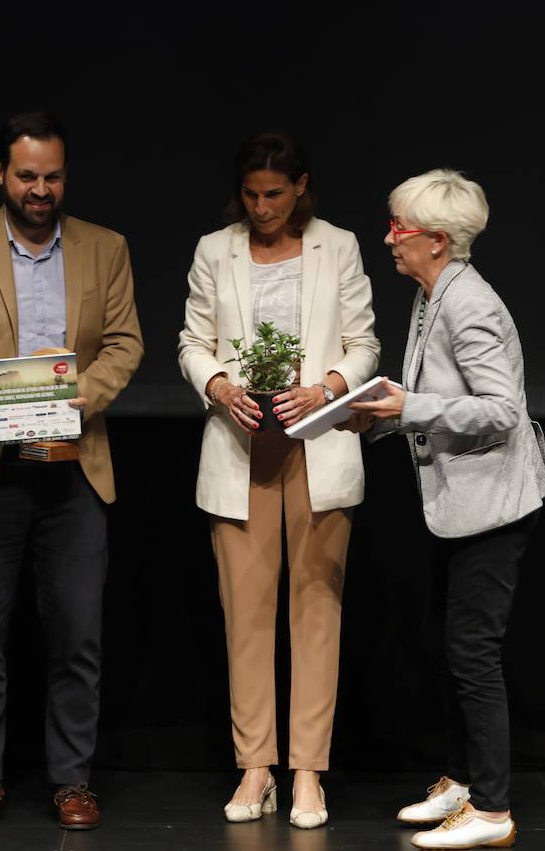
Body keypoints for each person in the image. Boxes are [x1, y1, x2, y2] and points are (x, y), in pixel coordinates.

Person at [0, 111, 143, 831]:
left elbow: (126, 344)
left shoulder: (106, 247)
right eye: (27, 176)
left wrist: (85, 396)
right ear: (1, 175)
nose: (41, 189)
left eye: (52, 176)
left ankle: (72, 781)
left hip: (73, 471)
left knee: (77, 636)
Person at [343, 168, 545, 850]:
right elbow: (429, 398)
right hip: (458, 502)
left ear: (436, 240)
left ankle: (491, 809)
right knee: (448, 644)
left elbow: (501, 411)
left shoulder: (470, 304)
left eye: (399, 228)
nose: (388, 238)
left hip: (493, 504)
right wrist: (375, 417)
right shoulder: (435, 294)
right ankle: (462, 783)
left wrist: (410, 407)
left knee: (473, 652)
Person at [176, 131, 379, 828]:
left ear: (300, 187)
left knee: (316, 612)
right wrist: (219, 384)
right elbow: (192, 341)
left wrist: (327, 387)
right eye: (251, 195)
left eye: (274, 194)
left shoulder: (338, 245)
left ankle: (308, 774)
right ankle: (256, 765)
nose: (261, 207)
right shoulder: (215, 249)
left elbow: (364, 342)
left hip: (315, 445)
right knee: (246, 614)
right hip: (242, 447)